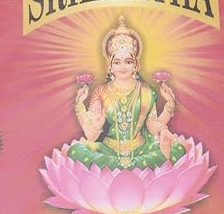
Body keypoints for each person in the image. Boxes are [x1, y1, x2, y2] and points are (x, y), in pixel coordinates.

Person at [68, 16, 185, 169]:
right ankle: (130, 169)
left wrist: (165, 123)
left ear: (136, 65)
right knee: (75, 151)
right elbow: (90, 136)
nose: (122, 67)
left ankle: (115, 169)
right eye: (117, 62)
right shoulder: (101, 92)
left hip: (140, 150)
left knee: (177, 149)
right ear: (109, 66)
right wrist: (86, 113)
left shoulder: (146, 91)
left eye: (128, 62)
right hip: (108, 150)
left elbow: (151, 125)